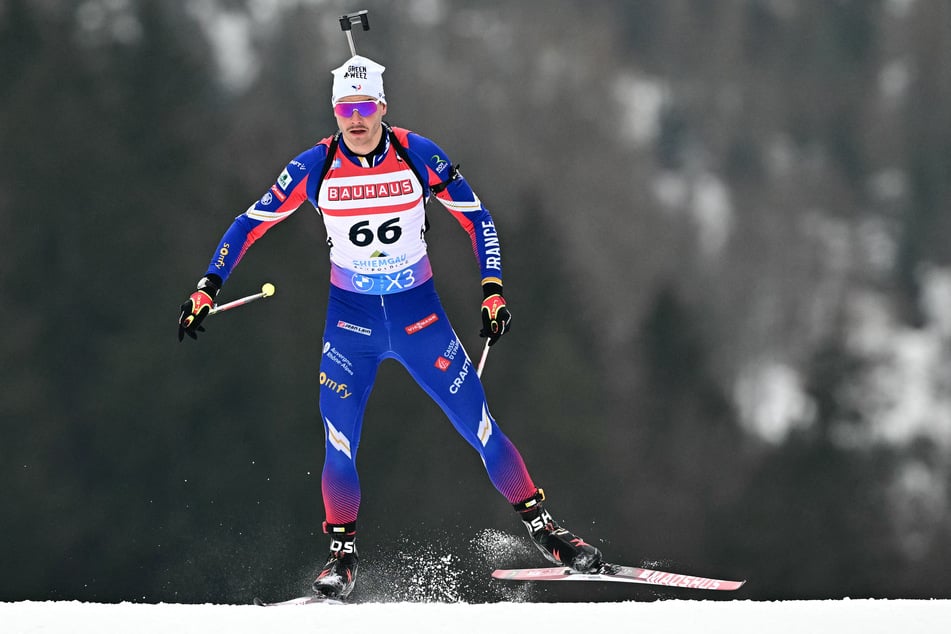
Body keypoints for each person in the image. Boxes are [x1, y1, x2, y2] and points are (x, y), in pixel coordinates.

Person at [178, 54, 602, 600]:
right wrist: (208, 285)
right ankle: (341, 559)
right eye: (344, 108)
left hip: (417, 316)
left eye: (365, 106)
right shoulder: (315, 165)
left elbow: (477, 218)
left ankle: (548, 533)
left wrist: (491, 289)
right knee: (338, 444)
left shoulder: (415, 154)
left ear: (382, 105)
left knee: (481, 427)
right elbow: (248, 224)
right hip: (350, 326)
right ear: (335, 111)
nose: (355, 118)